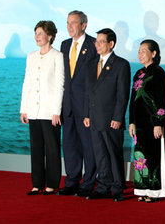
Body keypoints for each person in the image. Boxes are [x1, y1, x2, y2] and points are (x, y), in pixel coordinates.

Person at [84, 28, 131, 201]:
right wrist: (86, 114)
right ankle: (103, 187)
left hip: (111, 119)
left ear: (111, 44)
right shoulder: (91, 64)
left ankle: (118, 188)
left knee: (113, 154)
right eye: (96, 41)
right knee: (100, 155)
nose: (97, 44)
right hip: (95, 117)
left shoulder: (121, 64)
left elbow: (122, 94)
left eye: (101, 41)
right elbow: (88, 93)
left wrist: (118, 117)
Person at [20, 20, 64, 195]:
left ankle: (52, 184)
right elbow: (27, 84)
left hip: (49, 111)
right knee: (35, 147)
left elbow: (60, 85)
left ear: (50, 36)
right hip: (33, 111)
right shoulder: (31, 56)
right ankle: (36, 184)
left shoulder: (57, 56)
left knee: (52, 148)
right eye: (35, 33)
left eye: (40, 33)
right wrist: (24, 109)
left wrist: (56, 111)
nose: (37, 36)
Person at [58, 10, 97, 197]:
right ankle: (72, 181)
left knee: (88, 146)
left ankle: (88, 182)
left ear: (84, 25)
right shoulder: (64, 45)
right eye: (67, 23)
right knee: (70, 145)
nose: (69, 26)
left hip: (86, 106)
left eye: (73, 22)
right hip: (68, 106)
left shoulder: (92, 45)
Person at [129, 39, 165, 202]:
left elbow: (161, 101)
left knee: (154, 156)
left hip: (153, 123)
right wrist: (131, 121)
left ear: (154, 53)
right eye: (139, 51)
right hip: (139, 124)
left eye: (144, 51)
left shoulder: (159, 74)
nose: (140, 54)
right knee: (141, 157)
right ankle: (143, 189)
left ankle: (156, 191)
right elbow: (133, 99)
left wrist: (158, 123)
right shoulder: (138, 74)